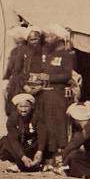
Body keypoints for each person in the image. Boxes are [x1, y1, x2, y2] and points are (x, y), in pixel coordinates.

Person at [26, 24, 75, 165]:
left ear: (57, 38)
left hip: (57, 95)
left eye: (50, 36)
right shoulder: (46, 55)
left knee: (58, 125)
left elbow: (67, 75)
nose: (47, 39)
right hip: (44, 95)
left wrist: (49, 78)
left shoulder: (66, 55)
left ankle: (60, 154)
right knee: (44, 124)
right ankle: (47, 155)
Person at [0, 93, 39, 171]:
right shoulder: (12, 119)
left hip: (32, 148)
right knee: (4, 141)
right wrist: (23, 157)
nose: (23, 109)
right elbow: (13, 140)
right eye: (21, 106)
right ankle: (14, 164)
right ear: (17, 107)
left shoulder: (36, 117)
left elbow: (43, 135)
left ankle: (45, 162)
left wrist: (40, 151)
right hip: (20, 150)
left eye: (26, 106)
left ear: (31, 107)